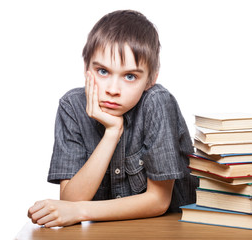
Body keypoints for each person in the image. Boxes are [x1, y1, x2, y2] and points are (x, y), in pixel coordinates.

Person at [27, 9, 198, 227]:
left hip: (174, 230)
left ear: (150, 79)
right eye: (103, 72)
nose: (113, 89)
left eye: (130, 76)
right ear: (86, 68)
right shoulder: (72, 106)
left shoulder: (157, 102)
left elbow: (158, 201)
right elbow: (69, 202)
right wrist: (112, 132)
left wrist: (80, 211)